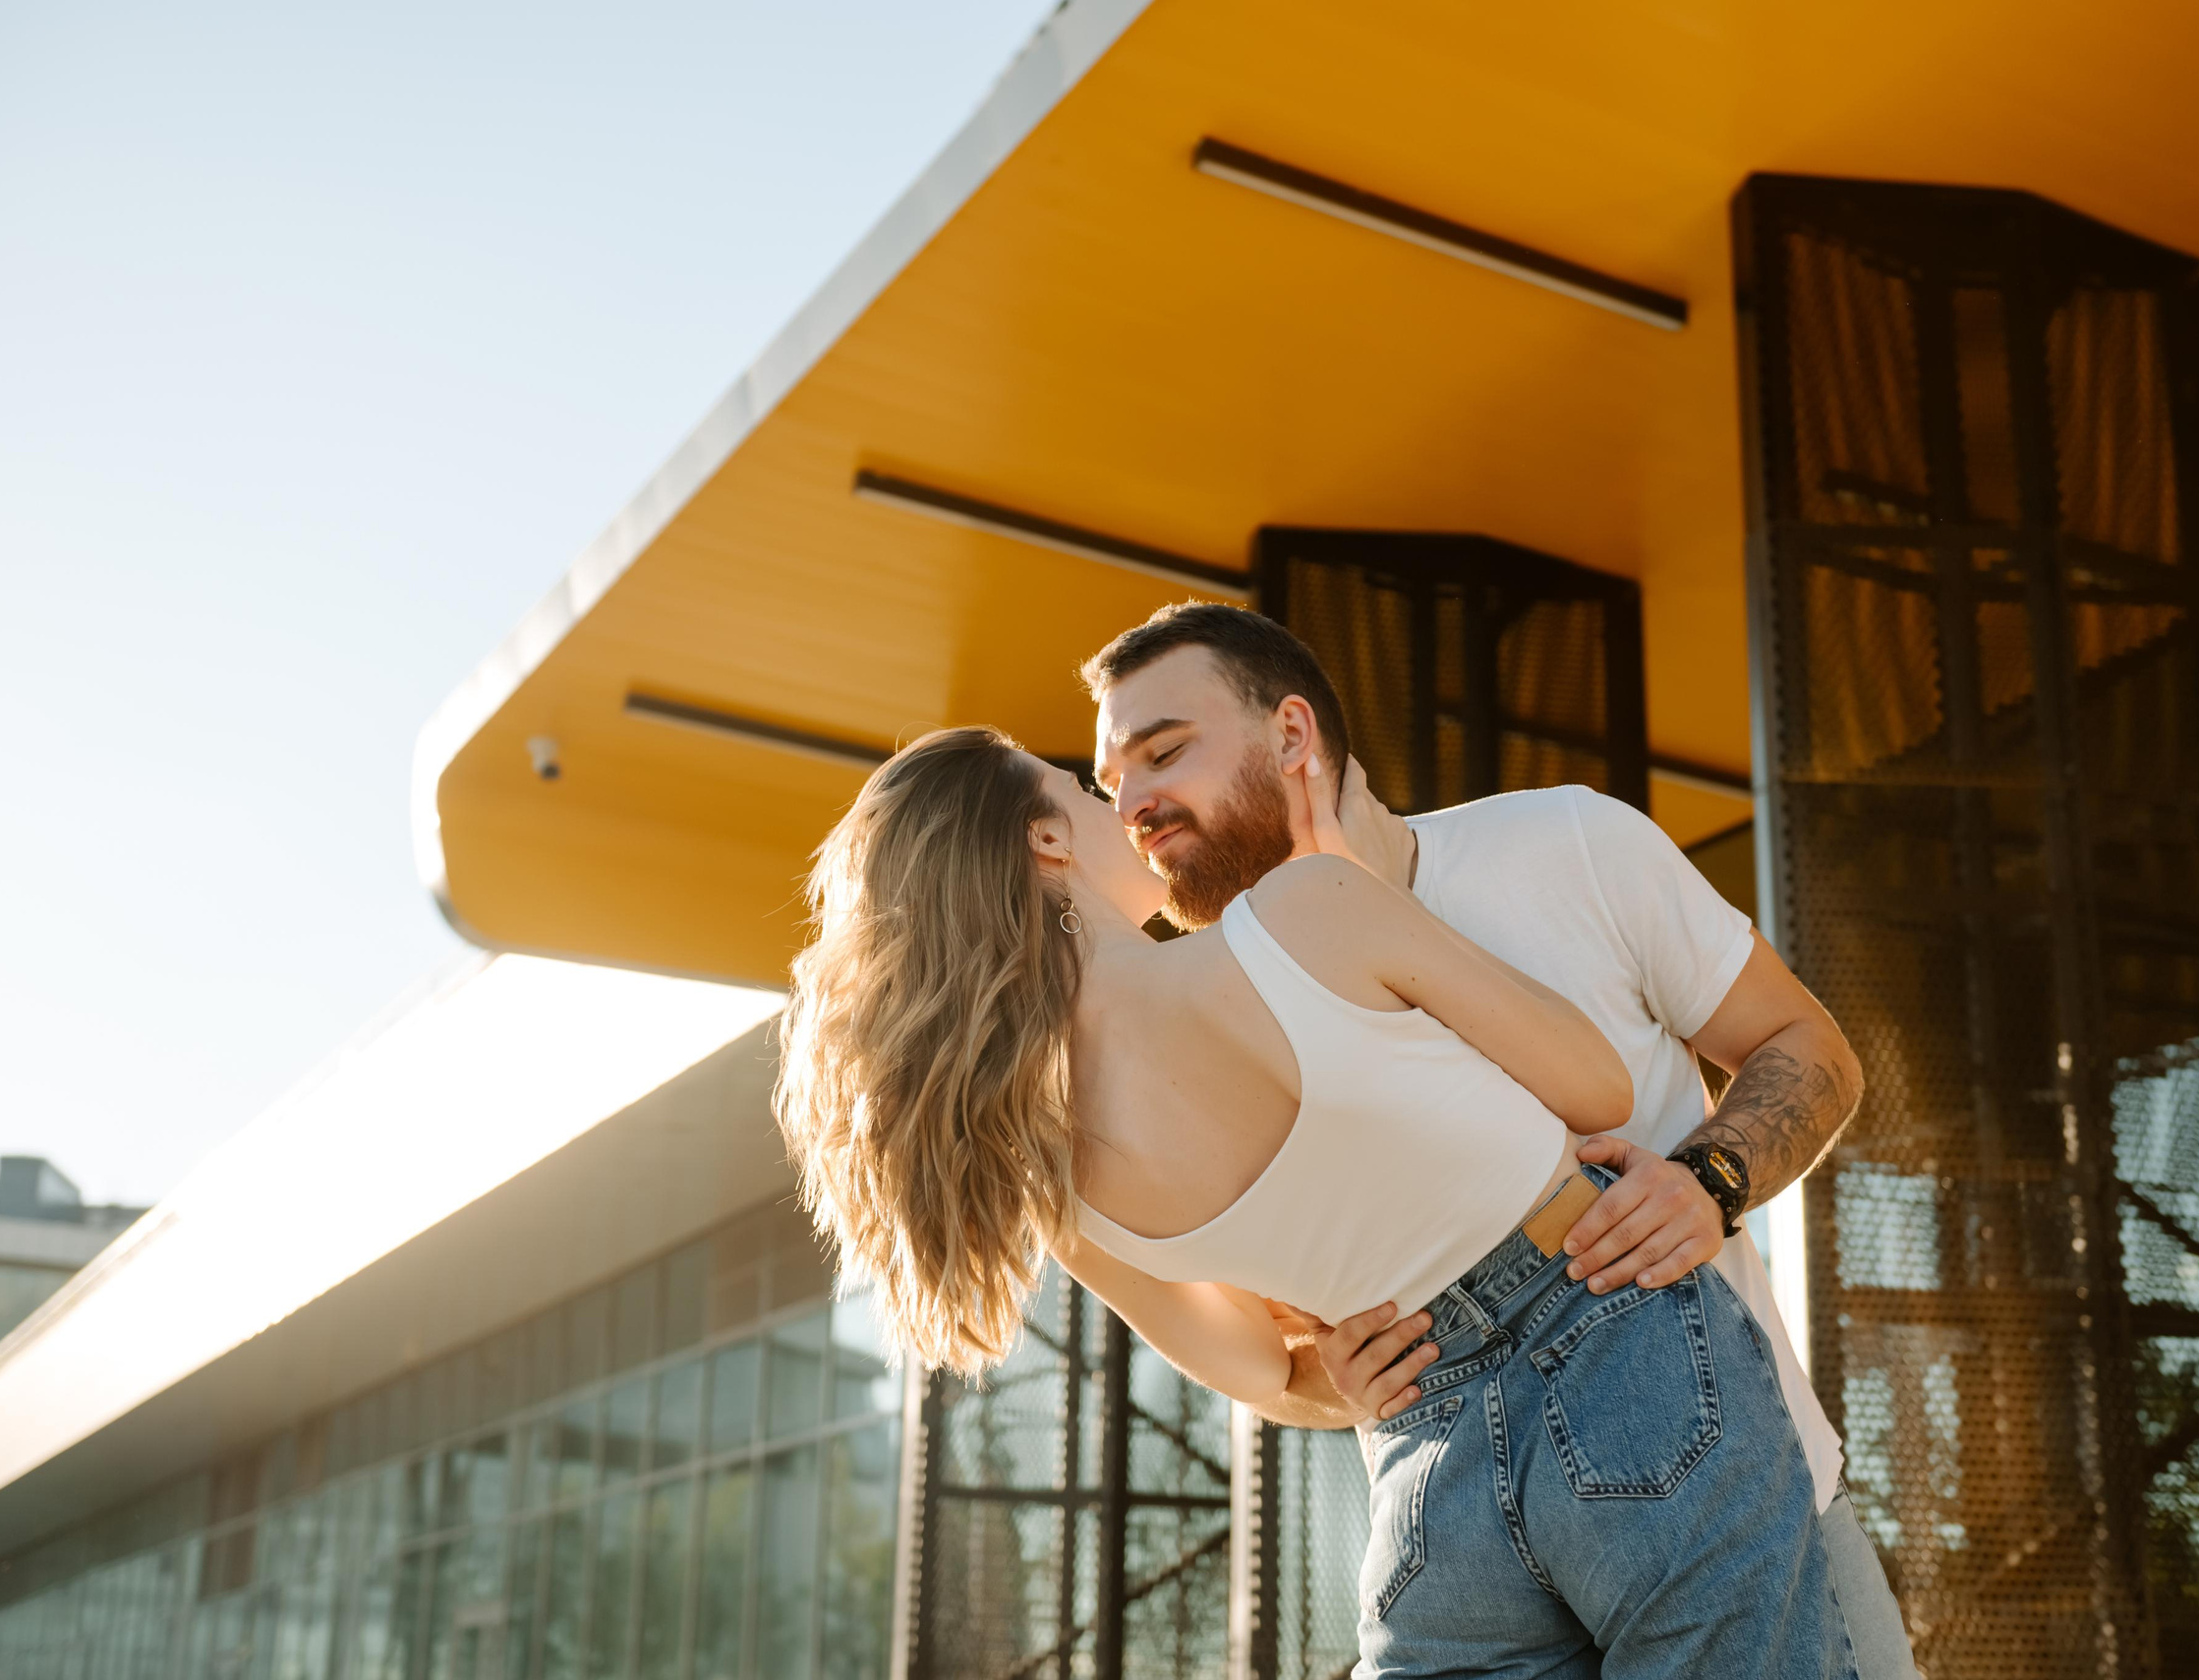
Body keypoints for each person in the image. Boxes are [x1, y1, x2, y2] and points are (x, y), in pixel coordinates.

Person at [776, 718, 1855, 1679]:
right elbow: (1594, 1083)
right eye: (1076, 788)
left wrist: (1345, 1367)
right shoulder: (1308, 906)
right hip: (1617, 1338)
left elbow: (1266, 1371)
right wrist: (1378, 924)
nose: (1114, 808)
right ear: (1045, 841)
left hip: (1425, 1463)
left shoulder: (1050, 1176)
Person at [1078, 603, 1917, 1679]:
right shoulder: (1196, 1030)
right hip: (1460, 1548)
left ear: (1292, 736)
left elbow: (1810, 1046)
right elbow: (1273, 1365)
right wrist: (1331, 1378)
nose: (1134, 805)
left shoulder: (1569, 841)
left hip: (1752, 1508)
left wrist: (1711, 1177)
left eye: (1162, 752)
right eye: (1109, 787)